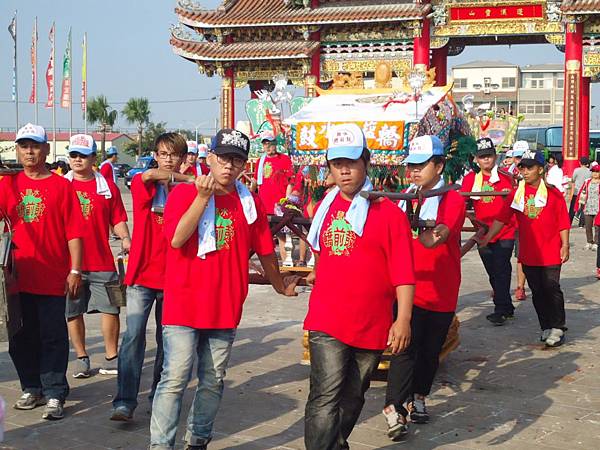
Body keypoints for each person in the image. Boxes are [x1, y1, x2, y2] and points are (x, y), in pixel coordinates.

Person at [149, 128, 298, 450]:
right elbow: (176, 239)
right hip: (183, 304)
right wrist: (203, 198)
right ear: (210, 159)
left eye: (237, 160)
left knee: (213, 380)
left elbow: (265, 251)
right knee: (174, 379)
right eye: (223, 158)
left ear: (245, 165)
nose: (229, 166)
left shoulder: (248, 203)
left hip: (224, 306)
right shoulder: (183, 194)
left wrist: (279, 286)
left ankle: (198, 439)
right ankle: (160, 445)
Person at [303, 124, 415, 448]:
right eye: (337, 164)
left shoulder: (389, 214)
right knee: (325, 396)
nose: (344, 170)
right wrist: (316, 274)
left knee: (353, 397)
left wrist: (403, 318)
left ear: (366, 161)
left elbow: (404, 272)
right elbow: (322, 253)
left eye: (350, 162)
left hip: (371, 323)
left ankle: (335, 443)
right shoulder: (324, 208)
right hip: (327, 319)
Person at [0, 123, 84, 420]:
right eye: (24, 146)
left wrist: (75, 269)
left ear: (46, 150)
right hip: (16, 277)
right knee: (20, 336)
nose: (30, 151)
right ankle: (30, 386)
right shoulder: (7, 183)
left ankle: (54, 392)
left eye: (35, 146)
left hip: (52, 275)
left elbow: (74, 232)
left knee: (53, 335)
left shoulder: (62, 186)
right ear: (18, 150)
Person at [110, 133, 194, 421]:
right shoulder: (141, 182)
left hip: (175, 278)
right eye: (162, 153)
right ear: (156, 155)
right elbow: (148, 176)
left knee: (166, 341)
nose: (168, 159)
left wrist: (186, 182)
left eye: (174, 155)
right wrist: (183, 179)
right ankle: (124, 401)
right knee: (133, 337)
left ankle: (160, 395)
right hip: (142, 275)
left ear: (183, 158)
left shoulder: (191, 191)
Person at [385, 135, 466, 432]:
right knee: (404, 348)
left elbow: (437, 237)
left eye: (422, 165)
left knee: (430, 352)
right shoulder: (407, 196)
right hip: (409, 288)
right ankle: (394, 407)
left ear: (439, 164)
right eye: (412, 165)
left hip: (442, 290)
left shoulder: (453, 197)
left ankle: (419, 397)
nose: (415, 171)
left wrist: (419, 230)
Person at [480, 150, 570, 347]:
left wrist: (565, 245)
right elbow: (502, 218)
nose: (525, 171)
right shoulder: (516, 193)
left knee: (552, 288)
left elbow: (563, 221)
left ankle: (558, 327)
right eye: (523, 167)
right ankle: (545, 325)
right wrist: (488, 237)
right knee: (537, 290)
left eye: (530, 167)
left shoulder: (553, 194)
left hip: (551, 251)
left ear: (540, 169)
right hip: (529, 252)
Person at [64, 134, 131, 378]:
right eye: (73, 155)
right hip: (70, 264)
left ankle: (111, 356)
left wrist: (125, 238)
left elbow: (118, 218)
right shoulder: (62, 185)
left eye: (83, 155)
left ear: (93, 157)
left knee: (112, 308)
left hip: (102, 259)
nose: (78, 159)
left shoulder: (107, 187)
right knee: (73, 310)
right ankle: (82, 356)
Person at [460, 138, 516, 325]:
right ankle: (506, 305)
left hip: (506, 231)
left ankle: (500, 309)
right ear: (476, 159)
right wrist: (472, 220)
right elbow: (461, 204)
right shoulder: (470, 179)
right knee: (493, 270)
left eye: (489, 156)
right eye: (482, 157)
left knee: (500, 267)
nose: (486, 160)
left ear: (495, 156)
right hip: (483, 232)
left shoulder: (507, 177)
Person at [251, 130, 293, 260]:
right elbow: (256, 183)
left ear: (275, 144)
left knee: (282, 235)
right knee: (263, 236)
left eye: (269, 143)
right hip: (263, 205)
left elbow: (290, 182)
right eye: (265, 144)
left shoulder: (285, 159)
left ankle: (287, 262)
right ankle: (267, 263)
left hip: (279, 205)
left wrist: (286, 201)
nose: (267, 147)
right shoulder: (260, 161)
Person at [577, 164, 600, 250]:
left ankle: (597, 242)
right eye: (593, 171)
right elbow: (582, 193)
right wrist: (579, 204)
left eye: (597, 172)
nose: (595, 173)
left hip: (598, 207)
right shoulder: (587, 182)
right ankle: (589, 241)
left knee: (597, 227)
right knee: (588, 226)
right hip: (588, 206)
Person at [570, 156, 592, 224]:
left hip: (577, 191)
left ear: (580, 163)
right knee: (583, 207)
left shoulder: (576, 170)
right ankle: (581, 223)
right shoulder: (590, 171)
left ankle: (569, 221)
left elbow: (573, 179)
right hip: (584, 192)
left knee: (573, 207)